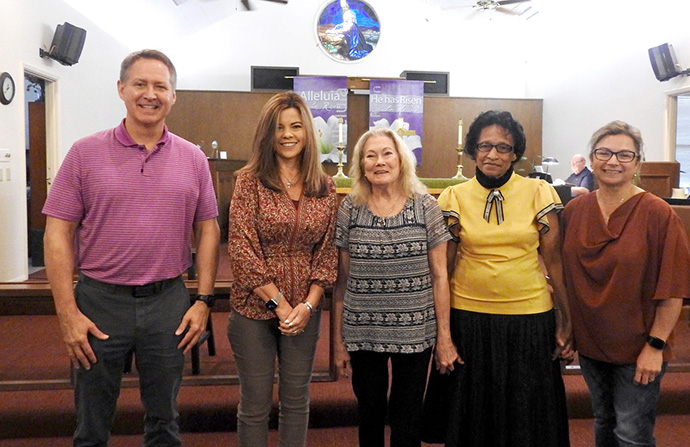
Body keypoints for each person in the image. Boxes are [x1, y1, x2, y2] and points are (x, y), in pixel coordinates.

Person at [43, 49, 220, 447]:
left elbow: (208, 229)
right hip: (99, 302)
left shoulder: (192, 158)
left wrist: (204, 300)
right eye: (140, 84)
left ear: (174, 96)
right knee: (91, 422)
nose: (150, 94)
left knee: (164, 423)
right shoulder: (84, 153)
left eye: (161, 86)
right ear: (121, 89)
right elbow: (57, 233)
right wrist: (66, 312)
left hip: (167, 304)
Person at [437, 110, 573, 447]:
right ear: (473, 150)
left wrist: (568, 320)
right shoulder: (453, 198)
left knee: (526, 415)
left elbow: (555, 263)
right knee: (475, 415)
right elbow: (444, 270)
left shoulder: (539, 193)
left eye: (502, 147)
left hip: (529, 316)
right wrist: (442, 333)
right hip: (470, 317)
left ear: (515, 153)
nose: (492, 154)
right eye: (484, 146)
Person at [562, 121, 690, 447]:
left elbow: (673, 288)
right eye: (604, 152)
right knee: (604, 422)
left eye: (624, 154)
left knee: (632, 435)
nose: (613, 161)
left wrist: (655, 346)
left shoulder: (658, 214)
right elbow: (564, 275)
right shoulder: (575, 211)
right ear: (591, 159)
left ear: (637, 162)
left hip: (639, 348)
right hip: (591, 345)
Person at [333, 127, 458, 447]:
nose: (379, 162)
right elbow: (343, 282)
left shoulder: (425, 206)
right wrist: (338, 341)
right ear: (361, 165)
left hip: (414, 332)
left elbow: (440, 276)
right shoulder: (350, 208)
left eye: (387, 153)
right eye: (370, 155)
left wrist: (444, 337)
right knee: (369, 415)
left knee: (407, 419)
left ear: (401, 160)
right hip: (364, 331)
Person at [227, 91, 338, 447]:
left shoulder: (325, 186)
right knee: (255, 405)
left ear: (307, 131)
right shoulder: (249, 181)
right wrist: (281, 306)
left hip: (306, 310)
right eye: (278, 128)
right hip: (253, 309)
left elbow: (326, 254)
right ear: (267, 134)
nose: (288, 134)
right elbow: (242, 250)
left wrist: (307, 305)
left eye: (295, 126)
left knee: (296, 401)